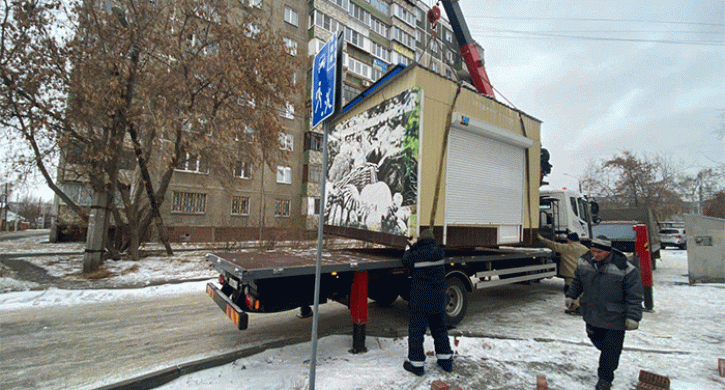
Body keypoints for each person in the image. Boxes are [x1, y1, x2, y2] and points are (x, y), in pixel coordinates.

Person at [566, 236, 644, 390]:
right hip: (592, 313)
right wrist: (571, 295)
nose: (595, 254)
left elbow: (634, 295)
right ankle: (608, 356)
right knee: (595, 337)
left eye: (599, 251)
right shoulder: (584, 261)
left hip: (615, 317)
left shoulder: (625, 268)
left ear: (608, 251)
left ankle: (605, 379)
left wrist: (633, 317)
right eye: (593, 250)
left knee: (611, 350)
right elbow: (578, 280)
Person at [401, 229, 453, 376]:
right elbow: (427, 251)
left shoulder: (417, 254)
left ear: (420, 241)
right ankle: (446, 362)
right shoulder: (439, 252)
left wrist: (409, 247)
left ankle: (416, 365)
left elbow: (405, 260)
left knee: (416, 332)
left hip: (421, 301)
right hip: (437, 300)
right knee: (440, 330)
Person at [537, 231, 589, 314]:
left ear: (569, 239)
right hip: (582, 274)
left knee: (571, 291)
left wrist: (541, 238)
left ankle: (575, 308)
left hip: (570, 274)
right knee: (581, 291)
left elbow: (552, 245)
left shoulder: (566, 248)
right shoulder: (585, 249)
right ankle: (581, 307)